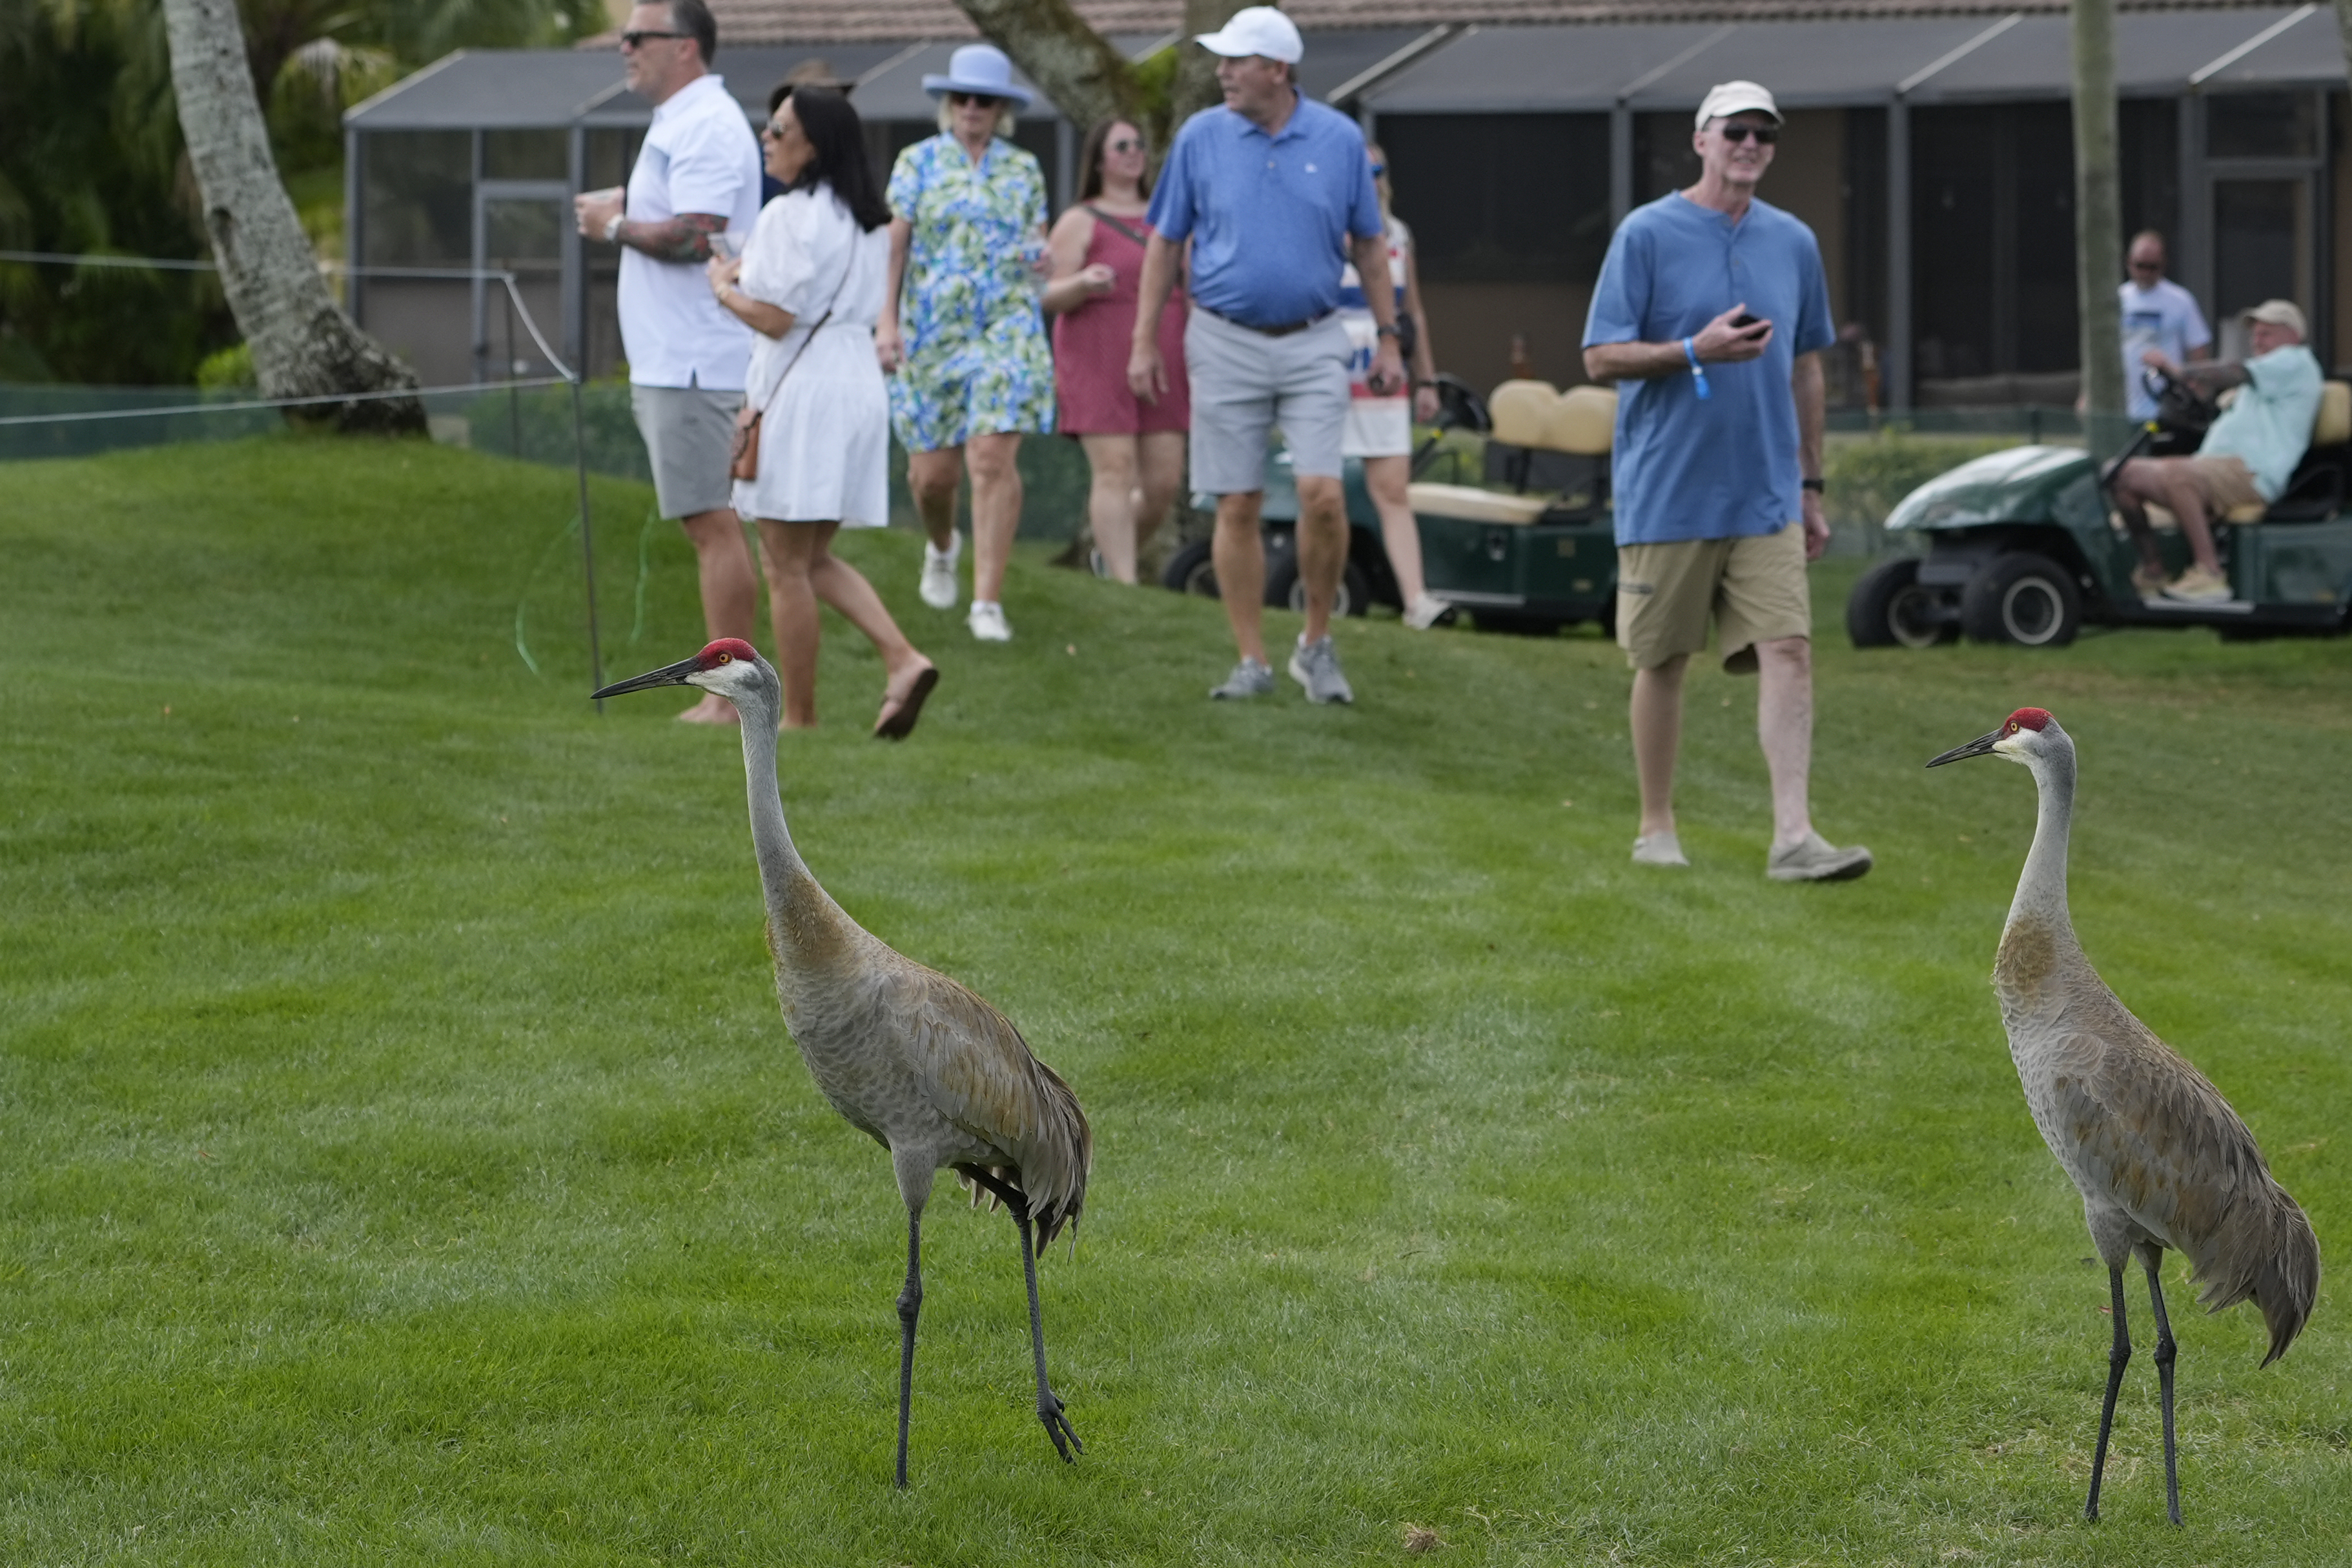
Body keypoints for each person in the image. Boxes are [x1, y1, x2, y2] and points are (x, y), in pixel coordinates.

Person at [1582, 80, 1872, 882]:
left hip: (1767, 493)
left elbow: (1806, 366)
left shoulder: (1793, 241)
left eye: (1764, 135)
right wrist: (1691, 351)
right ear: (1701, 139)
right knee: (1663, 660)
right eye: (1735, 131)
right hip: (1667, 489)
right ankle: (1655, 827)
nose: (1750, 145)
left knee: (1788, 648)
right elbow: (1600, 356)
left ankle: (1793, 837)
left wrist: (1810, 484)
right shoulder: (1645, 233)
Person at [1130, 6, 1404, 704]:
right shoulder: (1200, 137)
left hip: (1315, 339)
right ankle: (1251, 657)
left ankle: (1315, 642)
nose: (1221, 72)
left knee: (1321, 495)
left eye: (1235, 61)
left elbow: (1370, 246)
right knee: (1239, 503)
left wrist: (1390, 337)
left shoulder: (1341, 141)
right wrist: (1143, 340)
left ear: (1276, 71)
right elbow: (1164, 242)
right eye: (1220, 60)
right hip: (1221, 339)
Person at [706, 85, 936, 738]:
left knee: (783, 563)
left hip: (803, 393)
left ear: (814, 145)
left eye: (780, 130)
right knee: (811, 558)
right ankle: (901, 657)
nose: (767, 138)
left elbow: (776, 318)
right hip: (856, 382)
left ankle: (799, 717)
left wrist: (724, 290)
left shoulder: (789, 215)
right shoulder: (865, 218)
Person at [574, 0, 762, 726]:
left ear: (685, 47)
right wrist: (627, 202)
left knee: (712, 523)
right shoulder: (682, 118)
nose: (623, 45)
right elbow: (691, 208)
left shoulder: (707, 122)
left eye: (637, 36)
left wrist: (615, 224)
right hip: (678, 357)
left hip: (695, 359)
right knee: (707, 521)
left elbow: (698, 235)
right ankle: (733, 695)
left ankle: (729, 701)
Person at [877, 43, 1056, 642]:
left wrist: (1044, 260)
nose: (972, 107)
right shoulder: (916, 162)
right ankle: (942, 545)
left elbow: (1037, 250)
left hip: (1006, 327)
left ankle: (986, 602)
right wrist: (886, 321)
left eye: (984, 99)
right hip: (930, 330)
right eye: (962, 97)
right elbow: (895, 247)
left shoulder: (1023, 169)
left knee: (990, 458)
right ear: (948, 103)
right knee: (933, 477)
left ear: (1001, 108)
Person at [1043, 118, 1189, 585]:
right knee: (1115, 468)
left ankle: (1111, 553)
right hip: (1095, 354)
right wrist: (1083, 283)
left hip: (1163, 356)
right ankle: (1124, 586)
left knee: (1163, 483)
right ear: (1100, 159)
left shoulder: (1166, 215)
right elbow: (1047, 294)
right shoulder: (1080, 220)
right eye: (1121, 146)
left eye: (1138, 145)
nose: (1132, 153)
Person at [2112, 298, 2322, 604]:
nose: (2257, 341)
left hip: (2252, 473)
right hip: (2214, 469)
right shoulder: (2265, 379)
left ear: (2292, 335)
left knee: (2177, 474)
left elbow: (2234, 370)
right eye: (2255, 334)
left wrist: (2180, 370)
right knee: (2120, 475)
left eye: (2267, 334)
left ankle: (2209, 573)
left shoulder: (2294, 361)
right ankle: (2153, 570)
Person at [1338, 143, 1445, 629]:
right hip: (1331, 371)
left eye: (1378, 170)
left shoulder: (1399, 234)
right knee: (1321, 491)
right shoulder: (1323, 228)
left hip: (1384, 377)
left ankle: (1415, 600)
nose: (1372, 179)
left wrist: (1426, 378)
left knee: (1392, 488)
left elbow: (1413, 311)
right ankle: (1321, 593)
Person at [2119, 230, 2212, 425]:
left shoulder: (2180, 301)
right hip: (2121, 409)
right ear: (2129, 262)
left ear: (2163, 265)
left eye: (2152, 267)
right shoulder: (2119, 299)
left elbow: (2199, 353)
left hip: (2162, 408)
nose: (2145, 273)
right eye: (2140, 266)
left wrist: (2195, 397)